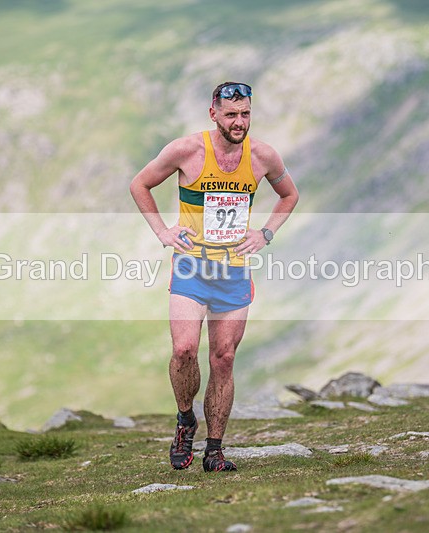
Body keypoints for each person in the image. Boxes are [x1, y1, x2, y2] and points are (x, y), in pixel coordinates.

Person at [129, 82, 299, 472]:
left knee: (223, 358)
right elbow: (140, 184)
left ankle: (215, 450)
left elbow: (289, 195)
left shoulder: (263, 156)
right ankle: (185, 420)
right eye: (231, 115)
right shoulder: (186, 150)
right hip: (191, 266)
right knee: (184, 350)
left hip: (234, 271)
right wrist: (162, 232)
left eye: (245, 114)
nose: (239, 122)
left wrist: (265, 233)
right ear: (214, 114)